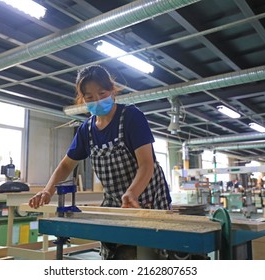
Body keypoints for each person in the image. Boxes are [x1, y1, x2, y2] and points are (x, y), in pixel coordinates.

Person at [29, 64, 172, 259]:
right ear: (83, 99)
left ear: (112, 91)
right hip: (115, 203)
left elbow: (146, 164)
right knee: (114, 254)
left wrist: (132, 193)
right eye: (89, 97)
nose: (96, 100)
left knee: (146, 255)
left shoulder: (131, 117)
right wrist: (48, 190)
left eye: (102, 93)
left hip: (146, 201)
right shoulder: (86, 130)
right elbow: (66, 165)